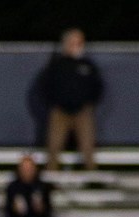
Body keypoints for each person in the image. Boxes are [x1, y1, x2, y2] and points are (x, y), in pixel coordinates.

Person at [35, 28, 104, 171]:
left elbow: (98, 86)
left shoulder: (87, 65)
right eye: (74, 42)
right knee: (54, 145)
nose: (77, 45)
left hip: (82, 112)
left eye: (79, 42)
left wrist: (88, 103)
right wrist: (55, 103)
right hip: (60, 112)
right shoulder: (56, 65)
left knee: (87, 145)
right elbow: (45, 86)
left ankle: (92, 177)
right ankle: (51, 177)